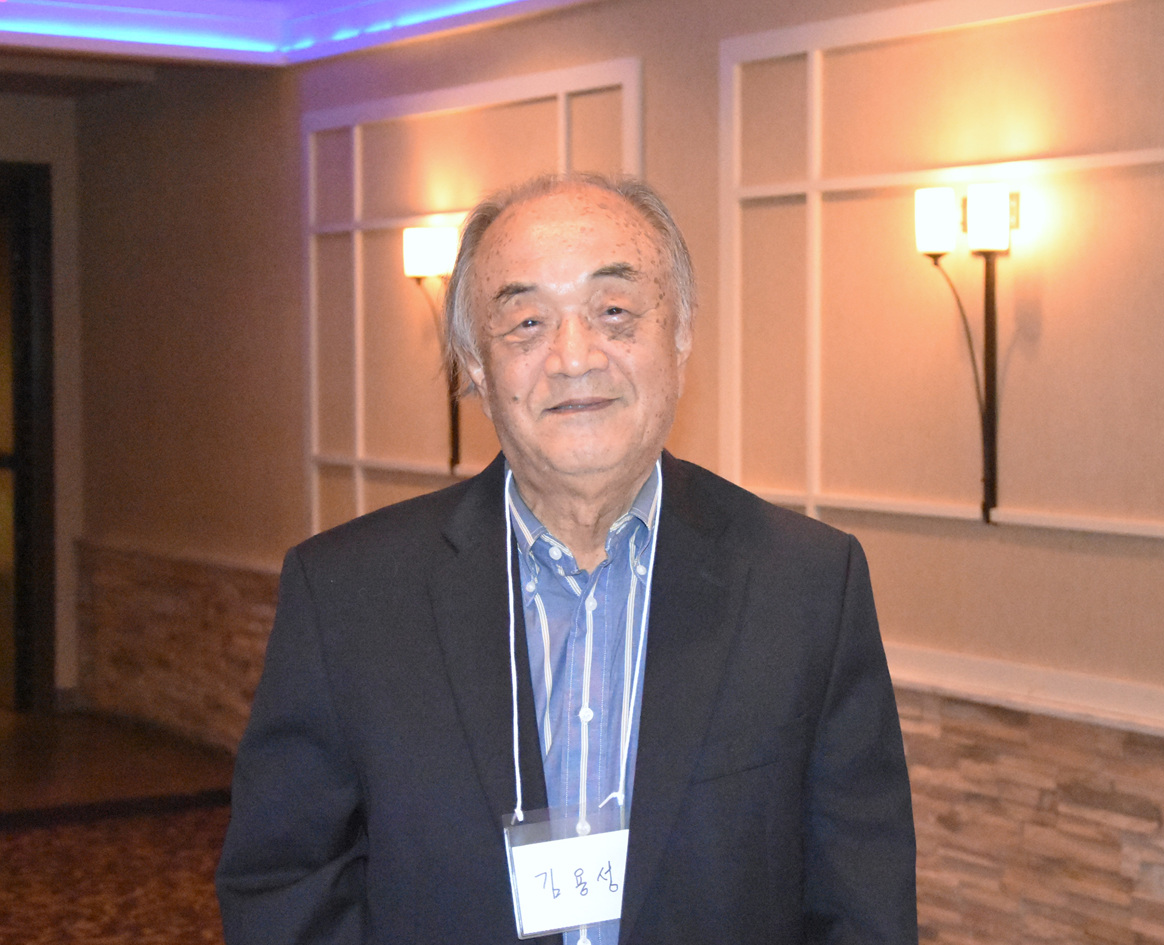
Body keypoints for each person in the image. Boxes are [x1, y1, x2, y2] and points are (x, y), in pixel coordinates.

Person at [216, 173, 917, 945]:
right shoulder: (349, 596)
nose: (574, 356)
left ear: (680, 336)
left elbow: (861, 906)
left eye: (614, 311)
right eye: (526, 322)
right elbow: (285, 887)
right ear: (475, 362)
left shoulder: (807, 587)